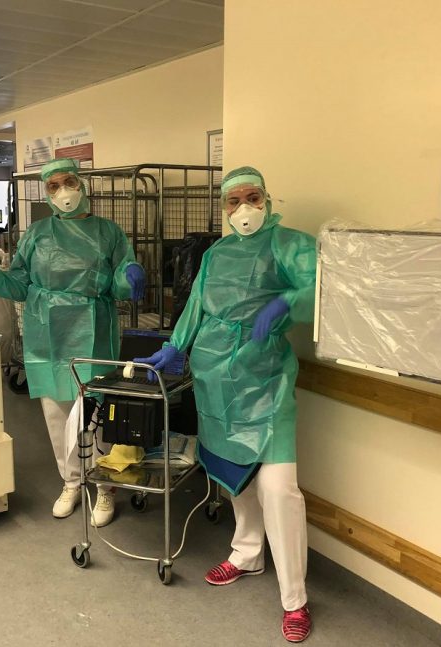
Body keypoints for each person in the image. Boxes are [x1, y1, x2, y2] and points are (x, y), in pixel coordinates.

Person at [136, 166, 316, 643]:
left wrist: (288, 303)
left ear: (267, 199)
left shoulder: (289, 244)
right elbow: (196, 304)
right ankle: (247, 553)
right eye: (232, 201)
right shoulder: (216, 253)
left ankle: (295, 599)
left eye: (251, 197)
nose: (243, 208)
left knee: (279, 489)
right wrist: (174, 345)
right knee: (235, 475)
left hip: (266, 378)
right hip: (216, 375)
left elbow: (320, 285)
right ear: (223, 208)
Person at [0, 158, 145, 527]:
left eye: (68, 182)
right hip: (46, 331)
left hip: (93, 328)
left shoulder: (108, 232)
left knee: (95, 413)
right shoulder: (36, 234)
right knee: (56, 413)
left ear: (82, 184)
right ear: (47, 193)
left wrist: (130, 275)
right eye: (54, 186)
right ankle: (71, 481)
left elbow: (119, 283)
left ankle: (105, 487)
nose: (63, 191)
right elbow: (20, 285)